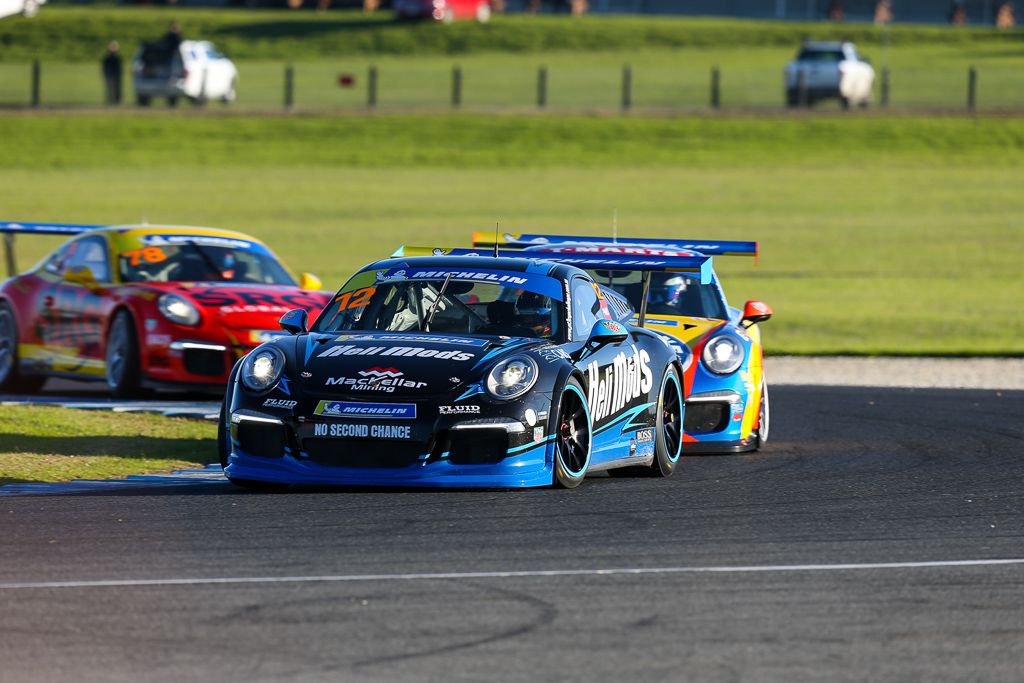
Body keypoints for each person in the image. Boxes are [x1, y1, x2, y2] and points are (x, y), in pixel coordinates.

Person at [101, 41, 122, 106]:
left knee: (115, 89)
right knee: (110, 88)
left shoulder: (117, 58)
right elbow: (104, 68)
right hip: (110, 75)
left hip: (114, 75)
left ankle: (115, 101)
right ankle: (111, 100)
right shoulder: (108, 59)